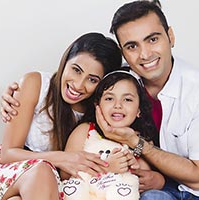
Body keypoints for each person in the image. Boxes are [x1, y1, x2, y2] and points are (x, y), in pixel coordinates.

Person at [0, 1, 199, 200]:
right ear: (123, 52)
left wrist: (136, 144)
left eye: (153, 39)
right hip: (149, 187)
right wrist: (15, 92)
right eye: (132, 46)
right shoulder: (117, 82)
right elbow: (75, 81)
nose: (145, 54)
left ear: (171, 37)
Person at [0, 32, 124, 200]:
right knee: (42, 170)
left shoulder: (99, 111)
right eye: (76, 70)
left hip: (46, 188)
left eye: (92, 80)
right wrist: (60, 158)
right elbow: (7, 154)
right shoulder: (36, 84)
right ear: (66, 60)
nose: (78, 84)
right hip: (5, 174)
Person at [61, 68, 165, 199]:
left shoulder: (142, 141)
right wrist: (105, 167)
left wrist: (159, 180)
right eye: (109, 98)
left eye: (127, 100)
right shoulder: (85, 131)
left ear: (139, 109)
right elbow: (65, 174)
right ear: (97, 105)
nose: (118, 105)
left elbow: (145, 175)